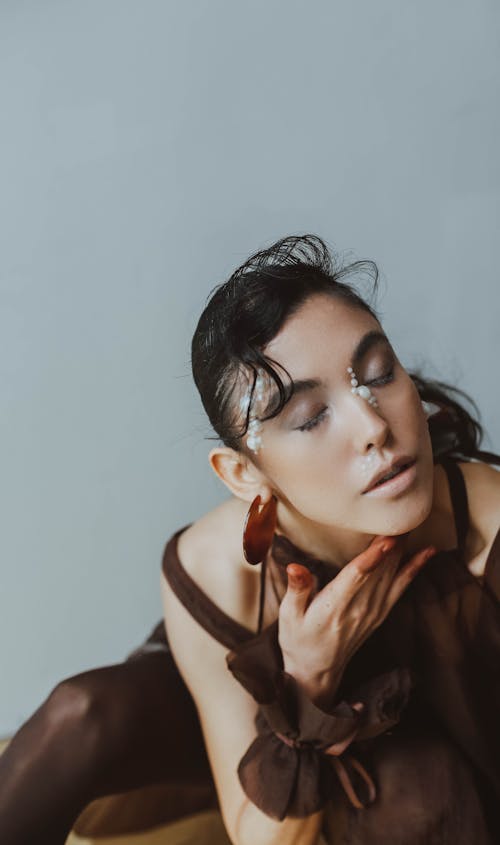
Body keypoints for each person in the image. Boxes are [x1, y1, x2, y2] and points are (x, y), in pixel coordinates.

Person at [1, 235, 499, 844]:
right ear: (242, 474)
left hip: (462, 735)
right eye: (311, 418)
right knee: (81, 715)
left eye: (379, 374)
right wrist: (310, 680)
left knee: (422, 793)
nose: (374, 426)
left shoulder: (489, 525)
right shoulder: (214, 569)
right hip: (270, 754)